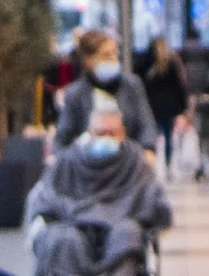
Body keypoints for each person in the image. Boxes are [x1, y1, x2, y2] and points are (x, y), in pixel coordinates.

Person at [30, 98, 176, 276]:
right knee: (62, 240)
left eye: (112, 133)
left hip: (122, 226)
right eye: (100, 133)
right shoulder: (68, 162)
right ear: (90, 133)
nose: (106, 138)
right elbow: (47, 198)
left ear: (122, 133)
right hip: (72, 224)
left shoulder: (137, 163)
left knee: (126, 235)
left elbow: (154, 200)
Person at [57, 28, 158, 148]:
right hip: (88, 157)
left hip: (129, 155)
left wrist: (147, 149)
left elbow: (146, 124)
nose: (113, 59)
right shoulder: (75, 93)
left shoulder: (132, 85)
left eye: (115, 53)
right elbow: (63, 138)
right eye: (106, 55)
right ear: (87, 60)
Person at [141, 39, 191, 174]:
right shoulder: (172, 63)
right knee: (169, 137)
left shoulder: (146, 62)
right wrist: (183, 106)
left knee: (152, 136)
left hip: (152, 106)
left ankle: (153, 165)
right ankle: (168, 166)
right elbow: (179, 86)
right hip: (169, 106)